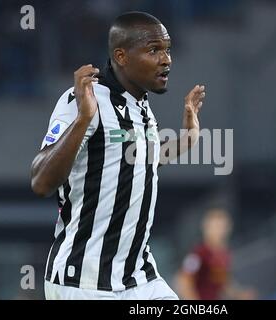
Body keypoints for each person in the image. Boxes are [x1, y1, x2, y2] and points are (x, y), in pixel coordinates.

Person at [30, 11, 206, 300]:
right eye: (154, 50)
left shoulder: (141, 104)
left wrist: (188, 138)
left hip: (140, 278)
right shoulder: (83, 99)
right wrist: (83, 120)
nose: (166, 60)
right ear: (121, 56)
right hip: (84, 282)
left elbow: (137, 160)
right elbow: (40, 181)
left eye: (167, 50)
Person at [176, 208, 257, 300]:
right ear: (206, 228)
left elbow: (223, 283)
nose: (219, 231)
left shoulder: (224, 254)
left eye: (222, 227)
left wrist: (240, 294)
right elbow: (183, 281)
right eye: (215, 227)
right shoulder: (199, 253)